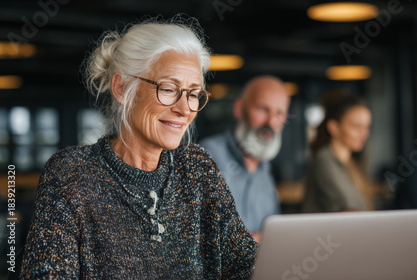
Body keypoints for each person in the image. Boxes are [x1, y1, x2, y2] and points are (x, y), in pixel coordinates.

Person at [20, 17, 257, 279]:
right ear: (122, 88)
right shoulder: (72, 174)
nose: (184, 109)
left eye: (192, 94)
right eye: (168, 89)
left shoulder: (197, 169)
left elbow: (249, 266)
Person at [199, 76, 290, 240]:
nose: (270, 121)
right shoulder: (206, 156)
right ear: (239, 109)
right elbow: (197, 239)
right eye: (263, 109)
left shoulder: (264, 169)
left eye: (279, 113)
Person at [302, 93, 378, 213]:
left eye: (366, 127)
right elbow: (348, 211)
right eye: (356, 126)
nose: (364, 134)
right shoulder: (324, 160)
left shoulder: (351, 164)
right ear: (334, 127)